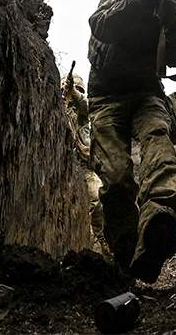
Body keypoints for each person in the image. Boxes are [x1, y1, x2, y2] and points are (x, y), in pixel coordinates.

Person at [86, 0, 176, 283]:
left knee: (159, 146)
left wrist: (169, 20)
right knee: (115, 176)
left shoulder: (172, 7)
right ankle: (126, 254)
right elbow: (100, 25)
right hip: (106, 98)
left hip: (147, 94)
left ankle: (158, 220)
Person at [60, 72, 108, 256]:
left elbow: (85, 105)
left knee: (98, 199)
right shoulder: (56, 107)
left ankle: (101, 244)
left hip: (84, 167)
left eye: (78, 90)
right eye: (71, 89)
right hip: (61, 167)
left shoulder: (82, 113)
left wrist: (73, 91)